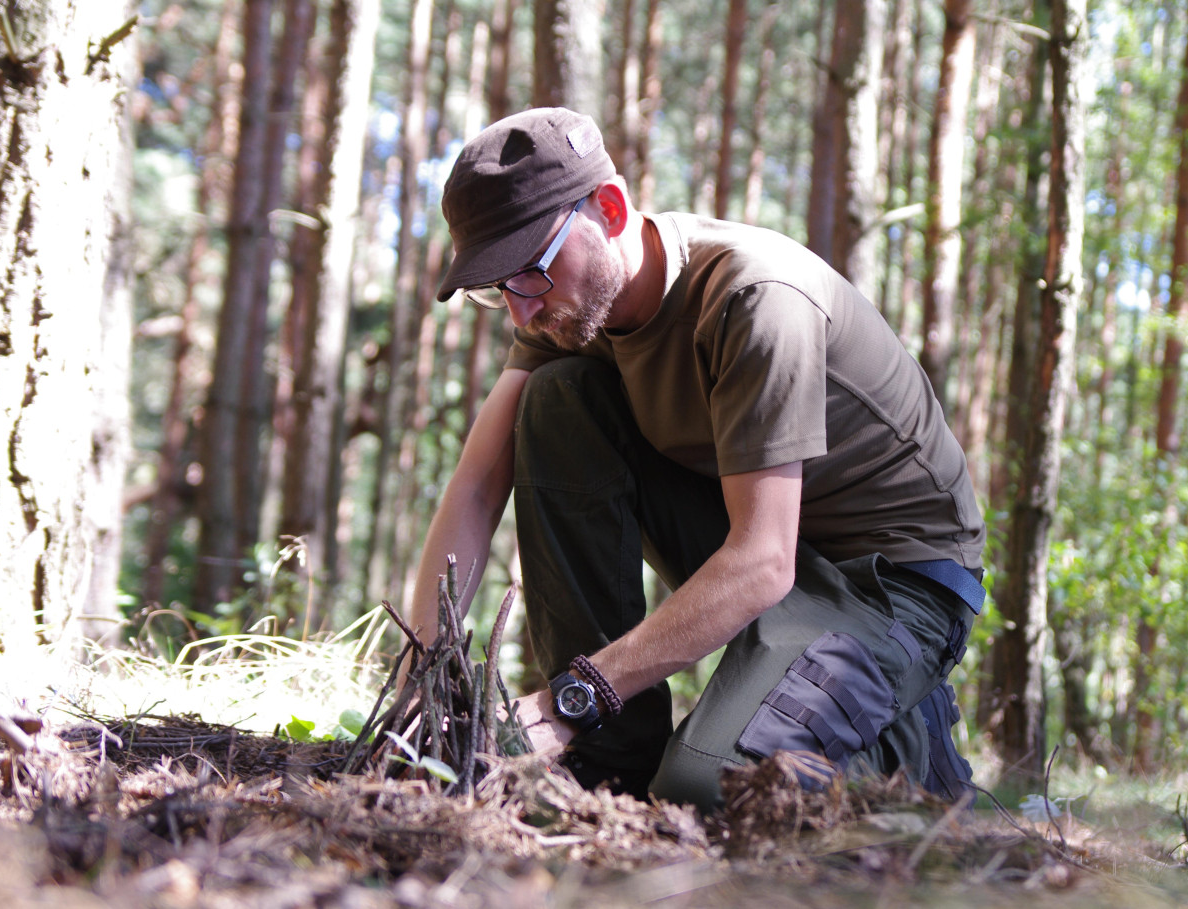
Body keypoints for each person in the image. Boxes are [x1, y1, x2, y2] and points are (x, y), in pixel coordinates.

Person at [410, 107, 986, 811]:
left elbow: (763, 559)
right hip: (769, 547)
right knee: (556, 399)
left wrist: (575, 696)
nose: (519, 313)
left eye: (530, 271)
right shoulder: (566, 308)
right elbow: (476, 484)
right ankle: (610, 753)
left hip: (895, 586)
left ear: (611, 209)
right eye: (496, 288)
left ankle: (909, 744)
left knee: (708, 787)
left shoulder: (753, 299)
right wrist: (424, 679)